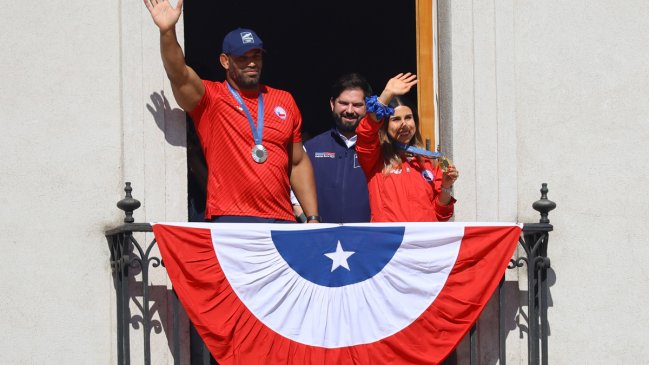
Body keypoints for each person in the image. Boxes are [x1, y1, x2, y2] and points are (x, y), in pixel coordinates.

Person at [143, 0, 320, 223]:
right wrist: (167, 32)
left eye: (256, 56)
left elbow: (297, 162)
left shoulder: (283, 100)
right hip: (231, 218)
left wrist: (312, 216)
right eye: (243, 58)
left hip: (280, 219)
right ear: (225, 61)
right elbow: (179, 74)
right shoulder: (211, 98)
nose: (252, 63)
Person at [356, 73, 459, 222]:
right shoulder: (375, 158)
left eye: (408, 118)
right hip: (390, 242)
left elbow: (440, 215)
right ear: (385, 125)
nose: (404, 124)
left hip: (423, 241)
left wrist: (446, 187)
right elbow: (366, 132)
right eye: (396, 119)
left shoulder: (430, 161)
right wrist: (386, 95)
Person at [291, 73, 372, 223]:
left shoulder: (377, 150)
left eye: (357, 105)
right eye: (344, 103)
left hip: (367, 240)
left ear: (368, 107)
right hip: (321, 240)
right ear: (332, 104)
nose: (349, 110)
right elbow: (295, 200)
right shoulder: (310, 148)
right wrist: (310, 224)